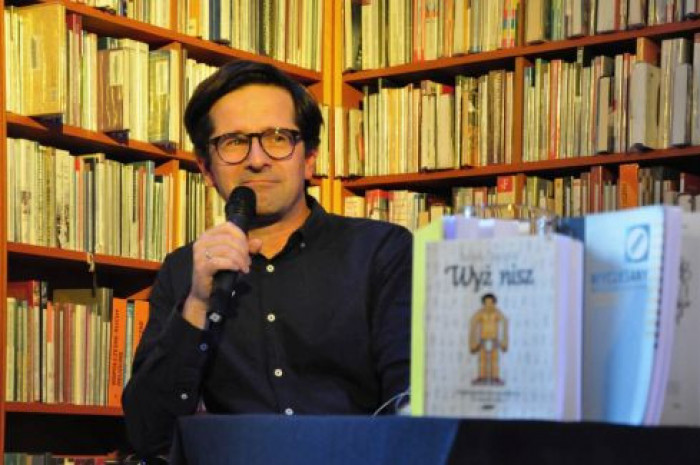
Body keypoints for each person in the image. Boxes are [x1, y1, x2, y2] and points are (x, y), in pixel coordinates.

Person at [121, 60, 412, 459]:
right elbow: (148, 433)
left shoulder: (380, 251)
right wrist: (198, 305)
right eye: (234, 142)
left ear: (309, 158)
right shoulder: (186, 269)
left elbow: (410, 403)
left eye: (278, 138)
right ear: (206, 168)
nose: (256, 159)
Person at [468, 293, 508, 385]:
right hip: (483, 339)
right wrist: (473, 342)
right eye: (486, 303)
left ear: (494, 303)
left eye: (491, 303)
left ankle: (495, 377)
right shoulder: (480, 313)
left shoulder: (497, 313)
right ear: (483, 303)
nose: (488, 305)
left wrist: (503, 341)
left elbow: (504, 322)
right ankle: (482, 377)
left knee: (495, 360)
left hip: (494, 340)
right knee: (482, 360)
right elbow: (473, 322)